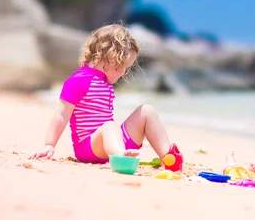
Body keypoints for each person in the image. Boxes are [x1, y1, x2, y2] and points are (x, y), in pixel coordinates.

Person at [30, 23, 181, 167]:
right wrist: (49, 145)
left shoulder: (104, 83)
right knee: (109, 125)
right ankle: (121, 158)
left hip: (112, 142)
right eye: (120, 67)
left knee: (147, 111)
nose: (123, 73)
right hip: (89, 147)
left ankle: (168, 158)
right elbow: (61, 115)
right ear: (106, 58)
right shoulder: (79, 81)